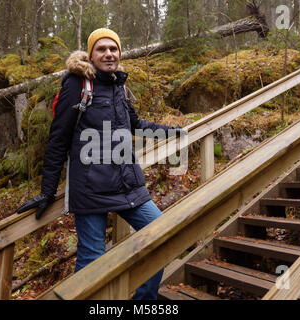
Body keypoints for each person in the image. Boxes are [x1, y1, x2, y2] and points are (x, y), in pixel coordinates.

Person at [16, 28, 186, 300]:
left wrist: (173, 131)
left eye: (113, 49)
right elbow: (59, 138)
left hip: (128, 182)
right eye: (102, 49)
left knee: (160, 236)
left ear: (120, 53)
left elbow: (134, 124)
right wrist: (48, 191)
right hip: (89, 187)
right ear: (91, 54)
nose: (109, 54)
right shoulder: (76, 84)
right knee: (92, 259)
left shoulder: (119, 84)